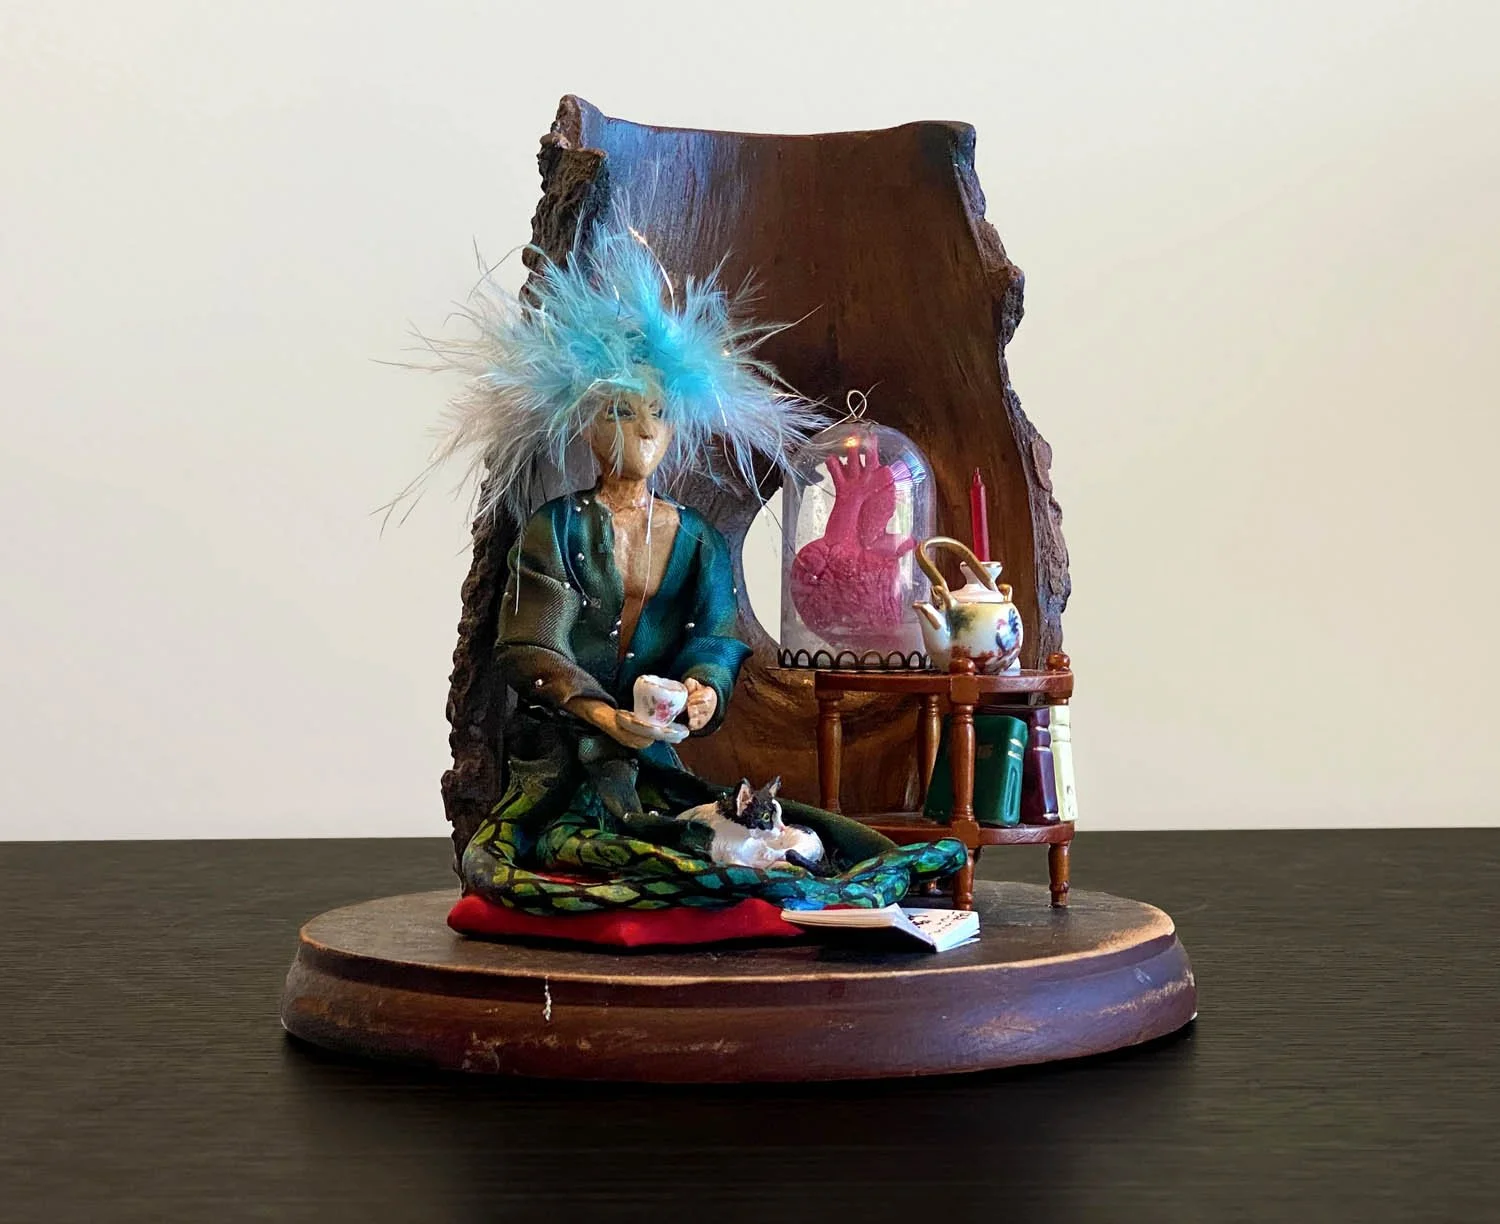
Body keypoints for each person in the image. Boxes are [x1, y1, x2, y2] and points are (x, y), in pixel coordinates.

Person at [421, 210, 967, 915]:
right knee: (563, 848)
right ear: (585, 424)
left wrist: (704, 689)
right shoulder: (555, 527)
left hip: (653, 758)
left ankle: (872, 868)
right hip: (558, 759)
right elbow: (530, 645)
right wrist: (601, 714)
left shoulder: (697, 537)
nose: (644, 430)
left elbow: (715, 634)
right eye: (620, 412)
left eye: (657, 412)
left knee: (736, 824)